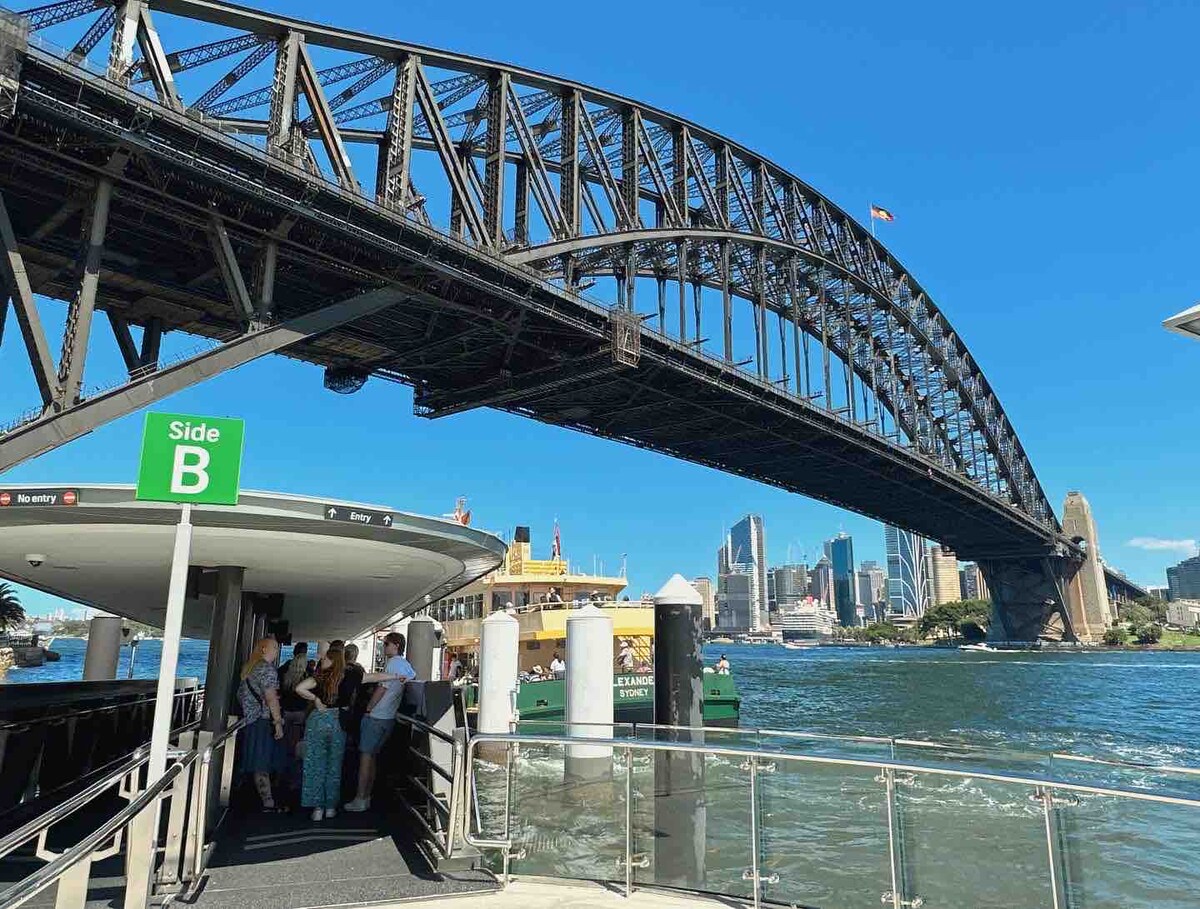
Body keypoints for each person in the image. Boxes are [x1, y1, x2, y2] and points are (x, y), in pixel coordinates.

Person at [295, 643, 405, 821]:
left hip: (318, 720)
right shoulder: (352, 675)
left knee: (316, 764)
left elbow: (299, 688)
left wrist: (315, 699)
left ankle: (317, 808)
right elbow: (374, 676)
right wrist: (396, 676)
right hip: (339, 722)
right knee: (335, 765)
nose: (322, 660)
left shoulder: (321, 675)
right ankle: (331, 807)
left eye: (325, 658)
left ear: (332, 660)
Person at [345, 631, 414, 812]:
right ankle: (366, 796)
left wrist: (368, 709)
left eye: (386, 644)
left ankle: (360, 798)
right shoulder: (406, 665)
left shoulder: (392, 664)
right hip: (389, 717)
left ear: (396, 645)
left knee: (365, 758)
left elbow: (382, 689)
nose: (384, 647)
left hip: (376, 716)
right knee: (373, 756)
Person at [237, 638, 286, 812]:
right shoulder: (266, 669)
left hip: (251, 720)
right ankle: (268, 801)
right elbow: (271, 698)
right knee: (262, 763)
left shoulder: (250, 668)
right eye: (275, 647)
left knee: (257, 761)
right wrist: (278, 722)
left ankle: (265, 799)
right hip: (263, 721)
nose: (277, 650)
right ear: (264, 649)